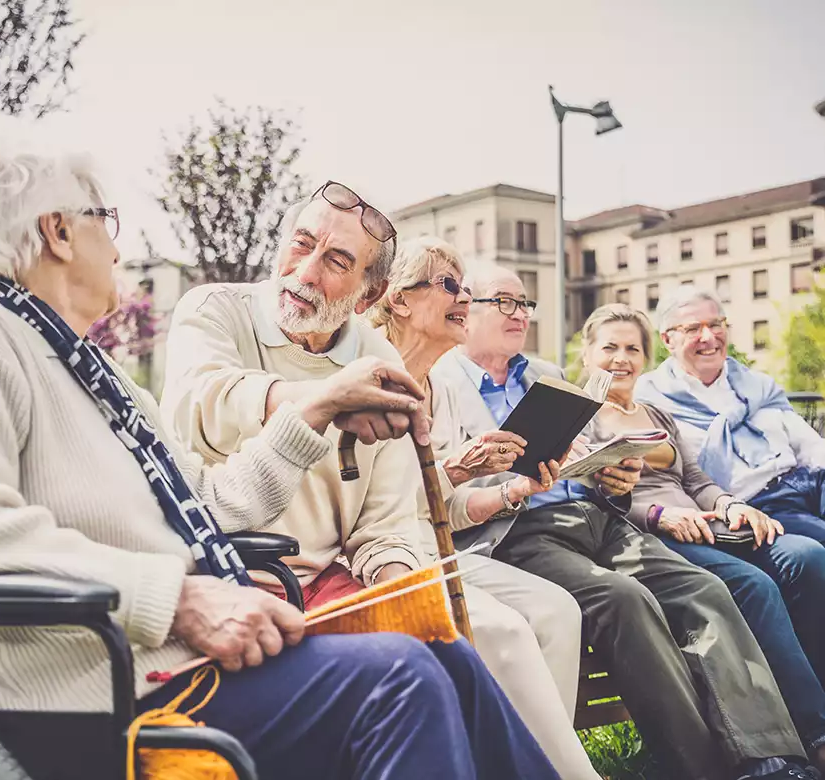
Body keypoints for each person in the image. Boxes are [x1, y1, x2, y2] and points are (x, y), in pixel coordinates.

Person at [0, 121, 559, 780]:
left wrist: (314, 412)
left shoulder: (93, 376)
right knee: (400, 681)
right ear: (55, 232)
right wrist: (177, 600)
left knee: (447, 661)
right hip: (80, 694)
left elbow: (211, 504)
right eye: (103, 221)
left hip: (164, 668)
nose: (118, 244)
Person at [160, 188, 588, 775]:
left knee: (464, 642)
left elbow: (385, 523)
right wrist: (324, 400)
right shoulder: (216, 310)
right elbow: (200, 404)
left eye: (337, 261)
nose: (305, 272)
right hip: (225, 579)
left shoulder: (376, 353)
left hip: (334, 578)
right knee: (441, 657)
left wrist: (402, 591)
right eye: (301, 244)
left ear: (370, 293)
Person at [431, 265, 813, 780]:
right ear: (466, 309)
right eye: (504, 302)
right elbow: (442, 485)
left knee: (702, 587)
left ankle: (772, 758)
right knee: (625, 600)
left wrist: (615, 473)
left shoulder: (544, 374)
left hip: (594, 516)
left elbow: (578, 456)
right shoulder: (441, 380)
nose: (519, 314)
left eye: (524, 304)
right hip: (519, 530)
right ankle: (706, 768)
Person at [366, 235, 601, 779]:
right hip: (385, 553)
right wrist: (455, 470)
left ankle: (527, 766)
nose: (465, 302)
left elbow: (447, 506)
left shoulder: (440, 391)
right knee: (508, 631)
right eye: (452, 287)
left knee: (559, 612)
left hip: (439, 545)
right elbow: (368, 506)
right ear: (400, 299)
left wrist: (511, 488)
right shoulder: (364, 373)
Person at [581, 302, 825, 770]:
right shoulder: (583, 417)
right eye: (609, 347)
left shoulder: (656, 413)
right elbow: (591, 495)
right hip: (651, 532)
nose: (621, 358)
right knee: (756, 587)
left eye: (633, 348)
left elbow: (696, 480)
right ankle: (812, 733)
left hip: (710, 524)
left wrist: (730, 504)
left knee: (805, 557)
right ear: (588, 354)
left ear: (647, 357)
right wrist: (658, 514)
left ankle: (810, 701)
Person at [637, 286, 825, 546]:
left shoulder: (756, 385)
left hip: (808, 481)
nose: (708, 337)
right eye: (692, 329)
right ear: (668, 340)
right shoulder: (651, 399)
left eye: (716, 324)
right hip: (755, 504)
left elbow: (811, 446)